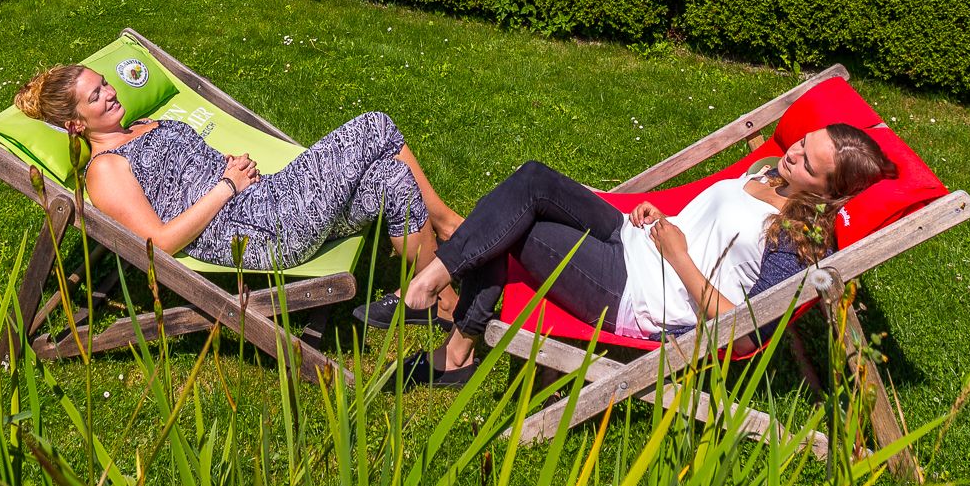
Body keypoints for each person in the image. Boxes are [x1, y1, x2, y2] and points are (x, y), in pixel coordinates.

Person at [361, 123, 895, 386]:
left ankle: (452, 335)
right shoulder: (771, 174)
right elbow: (704, 226)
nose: (793, 153)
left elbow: (748, 333)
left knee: (516, 230)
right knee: (531, 181)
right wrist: (658, 219)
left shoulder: (793, 247)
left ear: (827, 194)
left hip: (637, 294)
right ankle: (438, 287)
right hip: (635, 238)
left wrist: (679, 255)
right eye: (803, 141)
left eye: (807, 163)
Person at [13, 66, 465, 301]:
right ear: (75, 124)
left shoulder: (142, 124)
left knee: (390, 177)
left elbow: (186, 172)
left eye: (106, 84)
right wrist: (225, 186)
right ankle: (452, 229)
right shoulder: (104, 169)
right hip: (258, 231)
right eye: (96, 96)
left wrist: (223, 166)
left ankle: (442, 301)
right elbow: (158, 242)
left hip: (264, 199)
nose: (111, 93)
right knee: (374, 125)